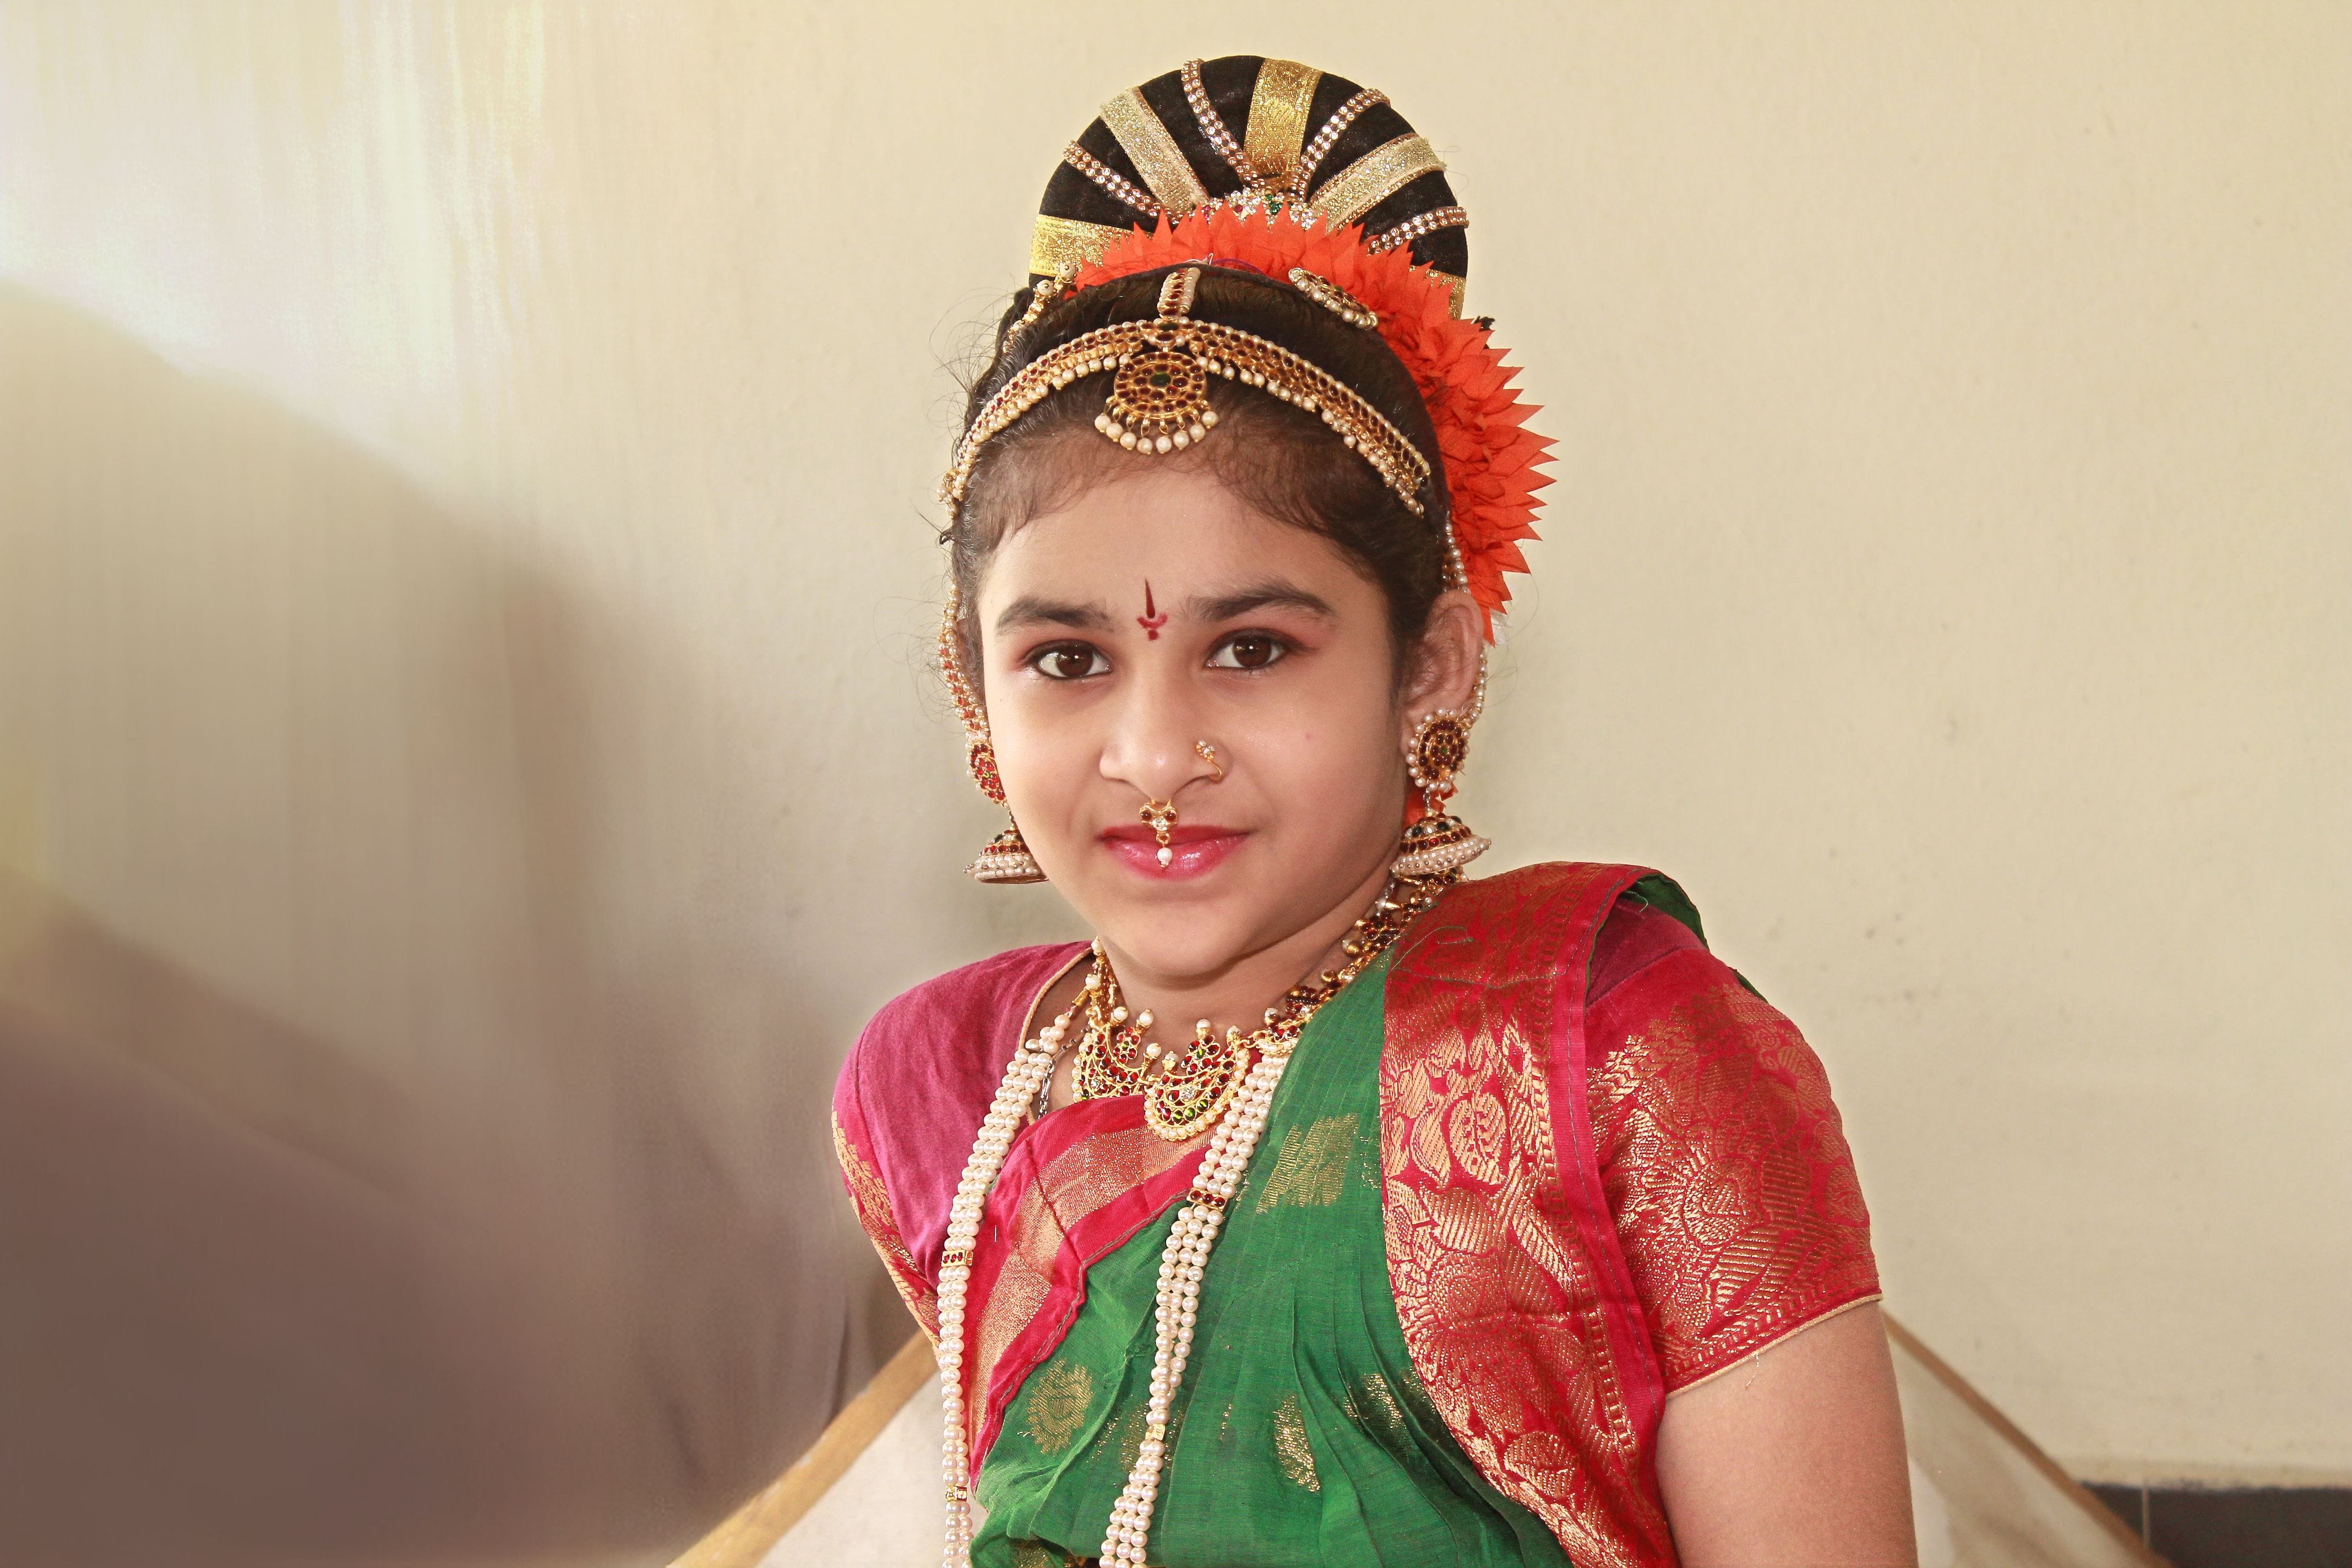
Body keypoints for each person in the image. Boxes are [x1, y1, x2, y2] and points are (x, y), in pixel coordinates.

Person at [834, 56, 1914, 1567]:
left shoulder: (1614, 1048)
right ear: (973, 687)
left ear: (1430, 667)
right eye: (1068, 660)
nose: (1155, 755)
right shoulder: (938, 1090)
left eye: (1253, 649)